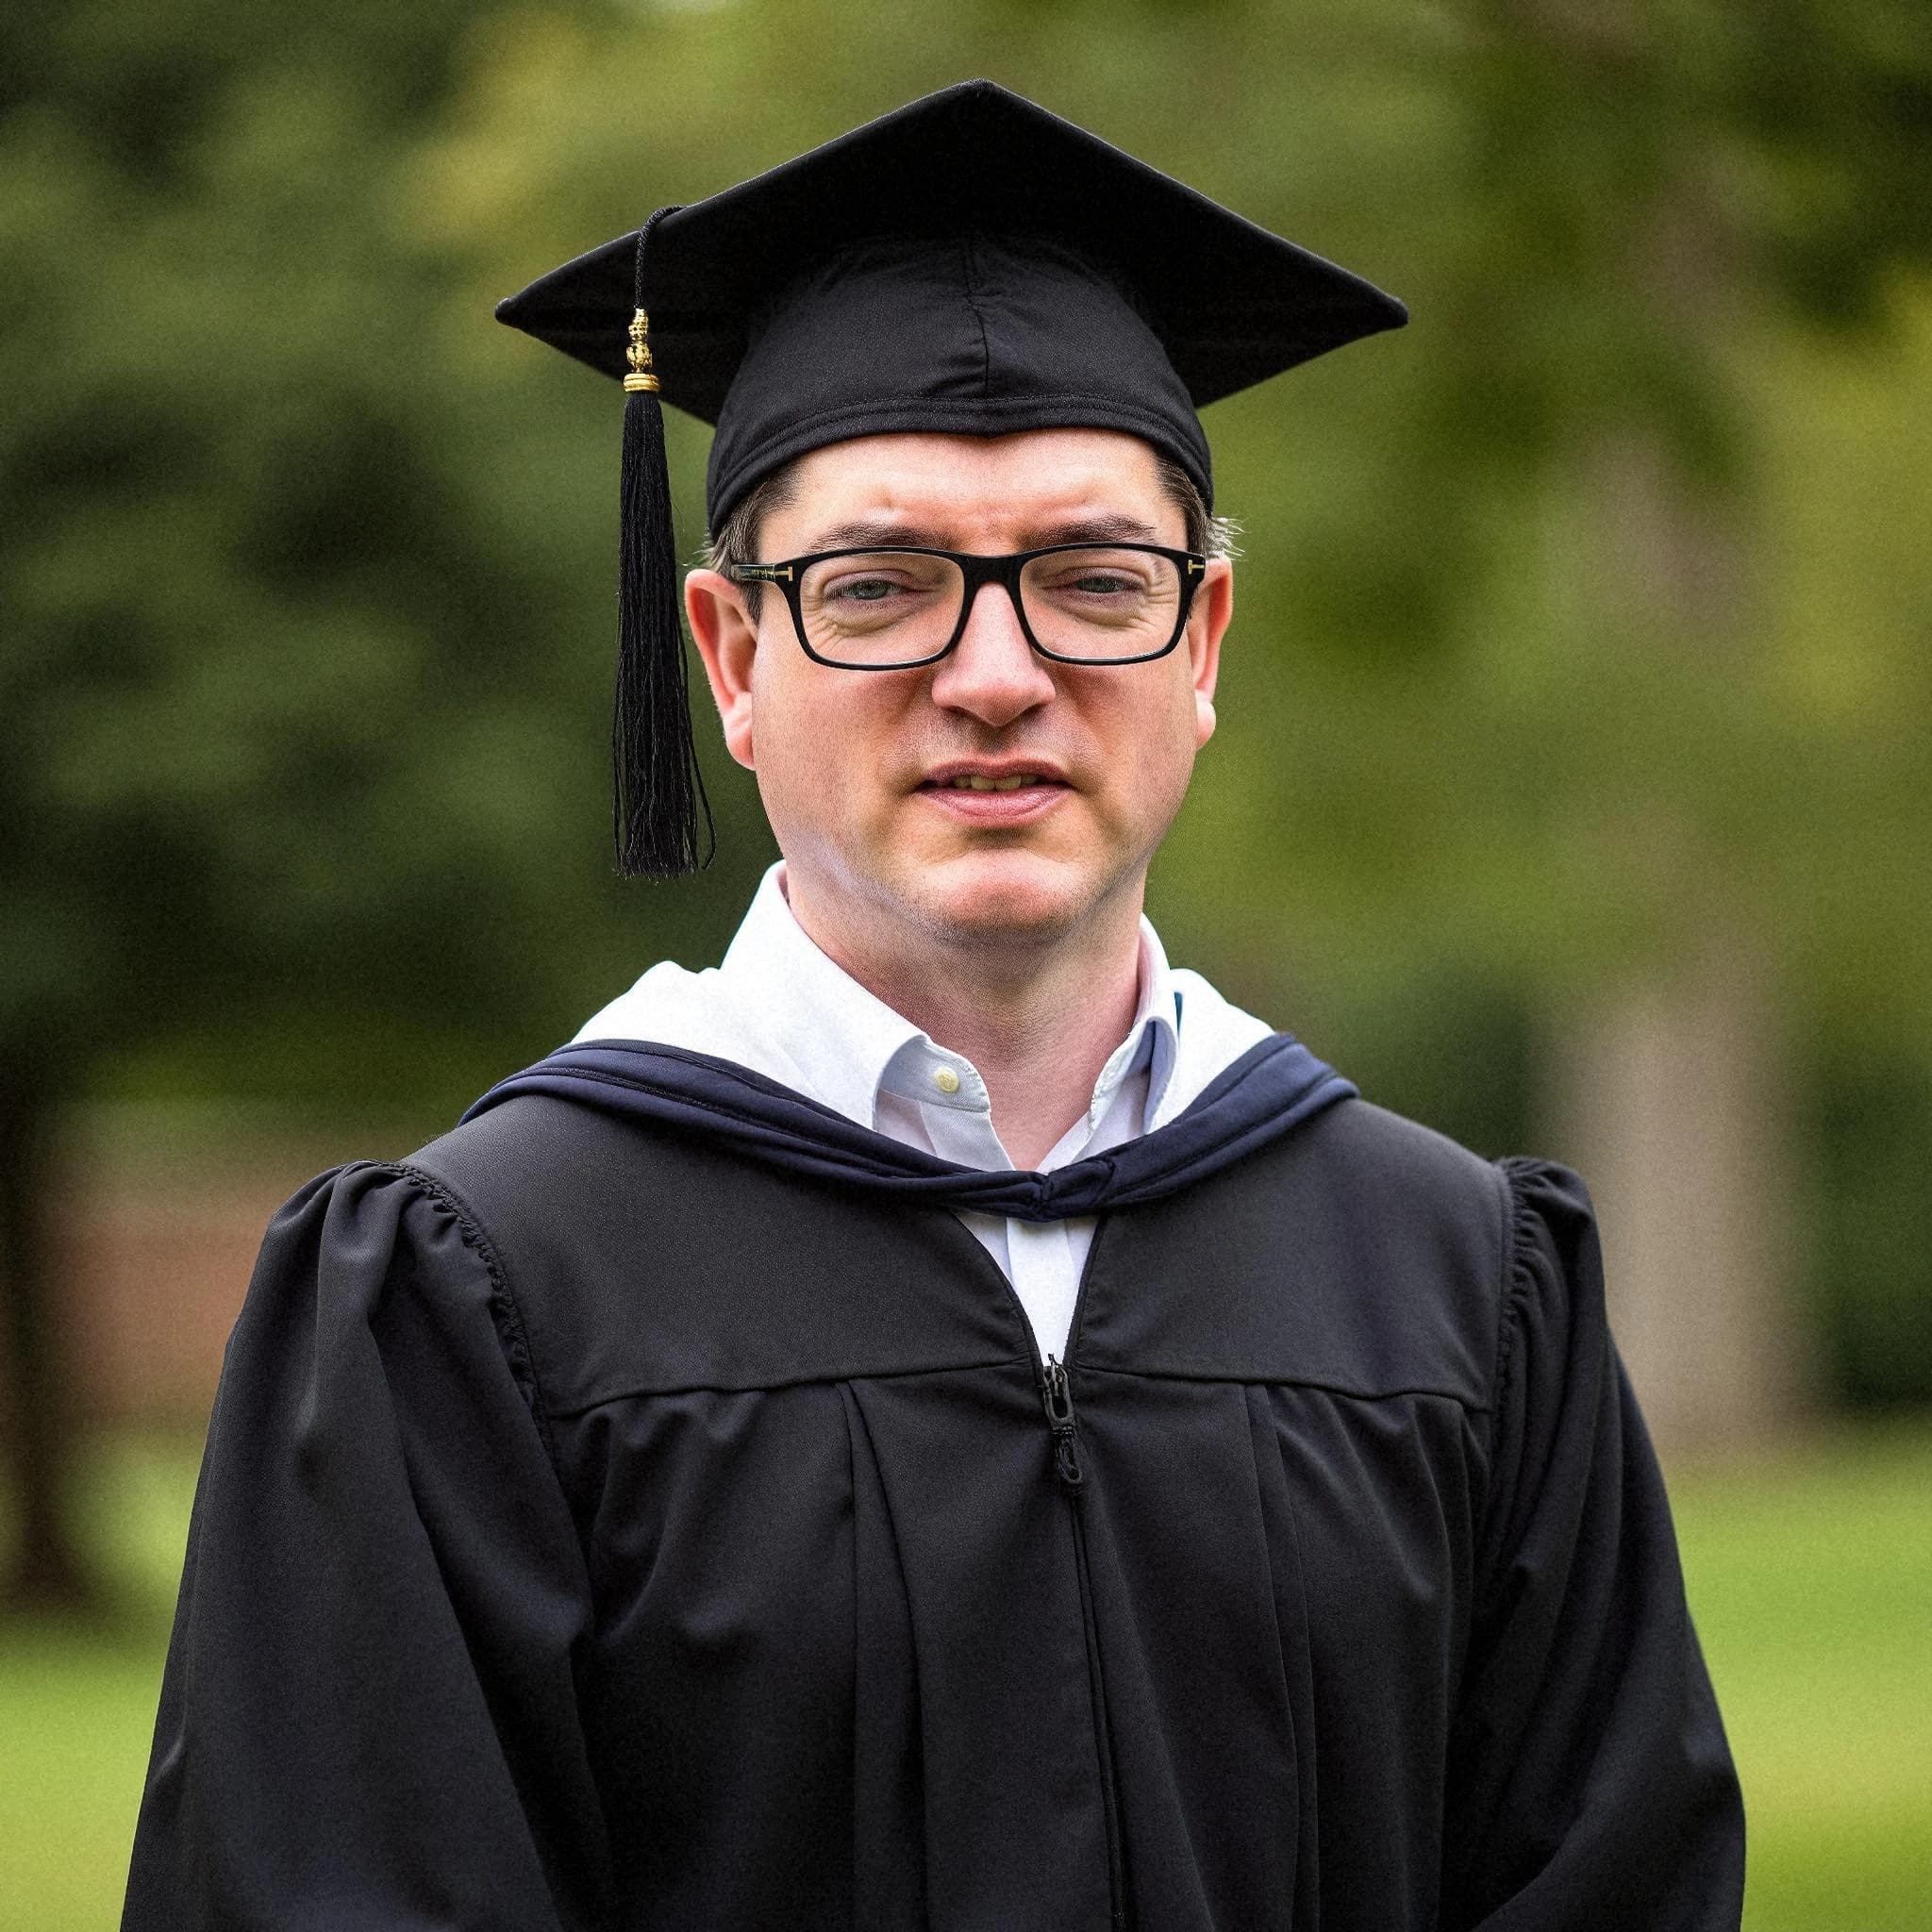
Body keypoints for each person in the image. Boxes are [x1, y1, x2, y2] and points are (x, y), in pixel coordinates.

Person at [123, 80, 1744, 1931]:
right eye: (880, 587)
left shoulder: (1459, 1278)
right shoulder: (478, 1287)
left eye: (1091, 581)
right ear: (730, 657)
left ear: (1202, 642)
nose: (995, 675)